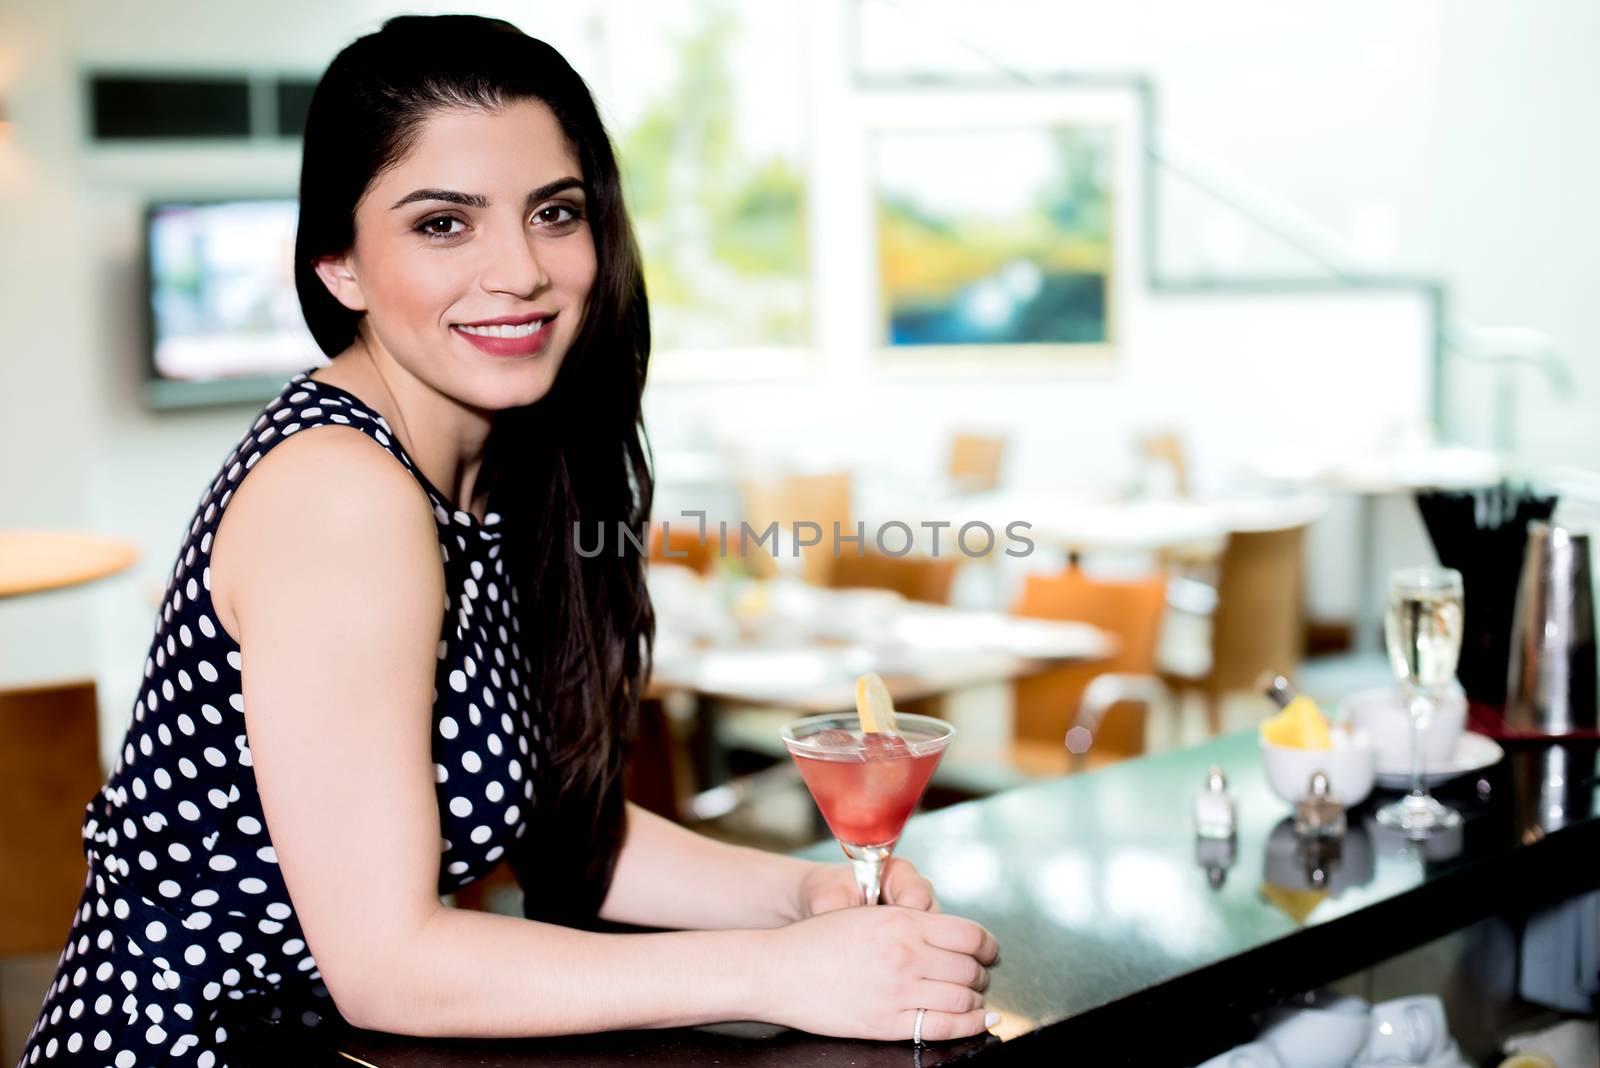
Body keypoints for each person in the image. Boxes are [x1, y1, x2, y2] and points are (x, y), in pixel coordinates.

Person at [14, 14, 998, 1067]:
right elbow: (390, 964)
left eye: (554, 213)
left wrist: (800, 897)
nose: (519, 271)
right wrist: (775, 974)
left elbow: (559, 834)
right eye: (444, 224)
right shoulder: (342, 494)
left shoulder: (486, 473)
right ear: (338, 264)